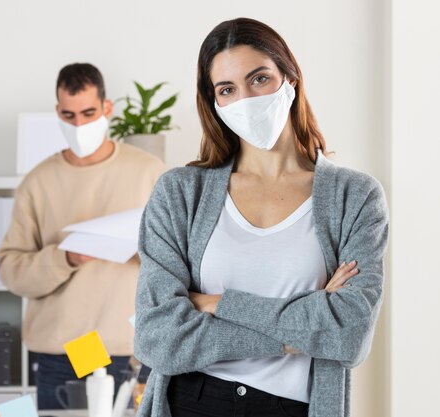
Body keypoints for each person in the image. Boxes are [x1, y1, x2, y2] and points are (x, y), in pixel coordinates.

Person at [134, 18, 388, 417]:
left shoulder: (355, 196)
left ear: (290, 79)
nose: (246, 100)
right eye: (227, 89)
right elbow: (158, 338)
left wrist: (218, 303)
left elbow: (349, 335)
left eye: (259, 79)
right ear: (214, 102)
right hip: (193, 401)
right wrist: (296, 334)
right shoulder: (180, 193)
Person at [0, 63, 165, 410]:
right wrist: (66, 257)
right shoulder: (38, 182)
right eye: (69, 115)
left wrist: (142, 249)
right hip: (66, 352)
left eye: (89, 113)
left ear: (107, 108)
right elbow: (12, 269)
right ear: (58, 112)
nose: (79, 125)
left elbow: (184, 260)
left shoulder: (148, 172)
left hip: (132, 349)